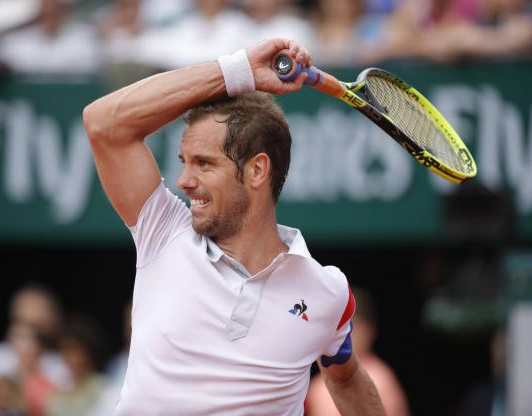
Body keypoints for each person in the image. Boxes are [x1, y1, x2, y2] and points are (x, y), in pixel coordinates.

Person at [83, 37, 385, 414]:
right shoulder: (162, 231)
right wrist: (238, 71)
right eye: (184, 162)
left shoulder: (327, 293)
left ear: (257, 170)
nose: (183, 180)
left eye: (204, 163)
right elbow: (103, 123)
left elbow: (345, 377)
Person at [306, 287, 410, 416]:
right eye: (338, 328)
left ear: (369, 331)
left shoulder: (381, 378)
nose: (343, 336)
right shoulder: (315, 387)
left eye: (351, 328)